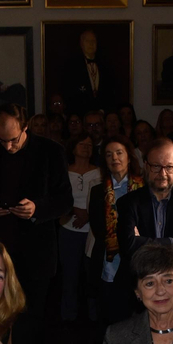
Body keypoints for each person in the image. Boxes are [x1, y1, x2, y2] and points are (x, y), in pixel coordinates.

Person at [0, 104, 74, 344]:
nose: (8, 146)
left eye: (13, 139)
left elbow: (65, 200)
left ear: (26, 128)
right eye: (2, 140)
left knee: (29, 324)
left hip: (35, 255)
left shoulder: (50, 151)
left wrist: (37, 209)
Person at [117, 139, 173, 281]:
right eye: (156, 166)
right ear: (146, 166)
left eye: (169, 167)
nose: (163, 173)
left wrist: (142, 242)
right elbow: (128, 246)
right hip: (135, 285)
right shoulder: (128, 202)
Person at [90, 137, 144, 323]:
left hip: (138, 260)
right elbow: (98, 228)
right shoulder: (98, 191)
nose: (114, 158)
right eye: (109, 154)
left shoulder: (143, 187)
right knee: (110, 317)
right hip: (109, 262)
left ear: (129, 157)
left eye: (119, 153)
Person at [61, 135, 101, 321]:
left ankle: (94, 316)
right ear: (73, 148)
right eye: (82, 144)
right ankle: (68, 316)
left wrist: (88, 215)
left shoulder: (99, 172)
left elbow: (103, 200)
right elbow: (58, 198)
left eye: (89, 145)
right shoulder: (64, 172)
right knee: (69, 275)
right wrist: (76, 210)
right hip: (68, 229)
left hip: (93, 231)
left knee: (93, 275)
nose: (86, 147)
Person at [62, 29, 110, 117]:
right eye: (87, 41)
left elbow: (109, 91)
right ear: (81, 44)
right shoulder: (72, 66)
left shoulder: (105, 65)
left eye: (93, 41)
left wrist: (102, 111)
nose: (91, 44)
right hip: (80, 115)